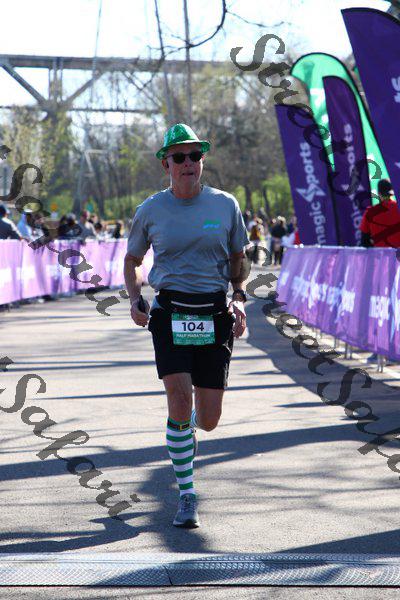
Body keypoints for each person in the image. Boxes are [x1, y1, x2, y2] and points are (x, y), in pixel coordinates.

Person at [124, 123, 250, 529]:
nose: (188, 163)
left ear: (202, 161)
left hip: (213, 312)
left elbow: (238, 257)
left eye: (195, 155)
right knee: (179, 402)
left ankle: (185, 431)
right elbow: (133, 260)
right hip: (170, 312)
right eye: (179, 157)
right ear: (166, 164)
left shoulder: (225, 205)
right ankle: (187, 493)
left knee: (208, 418)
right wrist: (135, 297)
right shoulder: (151, 209)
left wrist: (239, 296)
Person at [360, 179, 400, 248]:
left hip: (379, 253)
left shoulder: (370, 212)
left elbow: (364, 242)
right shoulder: (398, 209)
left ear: (379, 193)